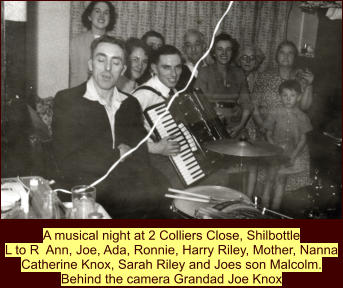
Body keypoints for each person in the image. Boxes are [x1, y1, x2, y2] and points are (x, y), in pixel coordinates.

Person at [53, 35, 166, 218]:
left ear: (123, 69)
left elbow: (140, 155)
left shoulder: (130, 104)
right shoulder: (68, 100)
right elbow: (67, 159)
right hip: (87, 192)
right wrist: (117, 154)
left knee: (161, 190)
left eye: (115, 62)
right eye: (101, 60)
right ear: (90, 64)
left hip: (126, 187)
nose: (107, 68)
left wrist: (111, 156)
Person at [132, 45, 228, 189]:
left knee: (219, 177)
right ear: (154, 68)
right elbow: (121, 136)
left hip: (180, 157)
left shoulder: (175, 90)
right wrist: (155, 148)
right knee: (191, 189)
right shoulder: (142, 96)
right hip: (152, 159)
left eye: (177, 67)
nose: (173, 74)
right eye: (166, 67)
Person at [262, 80, 312, 210]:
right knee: (270, 179)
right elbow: (268, 133)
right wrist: (274, 148)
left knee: (281, 181)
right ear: (280, 96)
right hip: (274, 152)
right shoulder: (275, 112)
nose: (288, 99)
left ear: (299, 97)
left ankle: (275, 210)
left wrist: (294, 156)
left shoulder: (302, 117)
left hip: (290, 154)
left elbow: (302, 139)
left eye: (292, 96)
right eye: (285, 95)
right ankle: (263, 208)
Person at [195, 33, 252, 138]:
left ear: (232, 52)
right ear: (214, 52)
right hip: (210, 123)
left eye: (228, 49)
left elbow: (247, 103)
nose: (224, 53)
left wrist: (240, 126)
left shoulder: (239, 73)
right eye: (220, 49)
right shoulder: (205, 72)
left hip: (235, 125)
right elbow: (197, 102)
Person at [252, 40, 314, 136]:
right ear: (277, 56)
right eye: (282, 52)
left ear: (295, 57)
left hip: (290, 133)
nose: (286, 56)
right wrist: (263, 126)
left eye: (290, 53)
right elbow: (254, 105)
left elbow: (304, 107)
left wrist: (309, 84)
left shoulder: (301, 78)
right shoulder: (264, 76)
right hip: (265, 131)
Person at [70, 1, 116, 87]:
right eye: (97, 11)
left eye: (106, 13)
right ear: (89, 16)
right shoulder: (76, 42)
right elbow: (74, 75)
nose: (102, 16)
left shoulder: (115, 44)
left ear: (110, 18)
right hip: (81, 93)